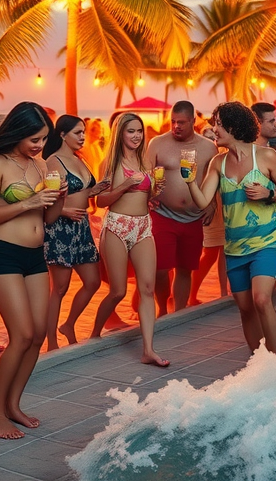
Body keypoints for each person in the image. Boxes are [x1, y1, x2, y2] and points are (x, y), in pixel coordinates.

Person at [0, 102, 63, 439]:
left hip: (35, 256)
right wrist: (28, 202)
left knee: (38, 334)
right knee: (21, 335)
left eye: (44, 139)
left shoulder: (41, 165)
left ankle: (13, 405)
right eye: (34, 139)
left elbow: (48, 219)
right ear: (17, 132)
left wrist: (58, 198)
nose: (40, 145)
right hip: (3, 254)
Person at [184, 102, 276, 355]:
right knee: (246, 308)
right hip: (235, 247)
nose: (214, 129)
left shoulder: (266, 157)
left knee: (262, 299)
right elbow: (203, 201)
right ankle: (258, 363)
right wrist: (190, 180)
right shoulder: (218, 163)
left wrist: (269, 194)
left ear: (234, 126)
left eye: (218, 124)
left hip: (266, 241)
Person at [90, 113, 170, 366]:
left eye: (139, 131)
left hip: (143, 226)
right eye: (131, 131)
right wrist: (124, 185)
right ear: (120, 133)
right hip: (117, 225)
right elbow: (100, 201)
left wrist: (156, 190)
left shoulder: (145, 160)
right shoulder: (109, 163)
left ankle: (148, 350)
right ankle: (94, 335)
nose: (136, 136)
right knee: (118, 291)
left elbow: (148, 196)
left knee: (147, 288)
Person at [145, 101, 218, 316]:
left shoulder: (208, 147)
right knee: (160, 269)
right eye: (173, 121)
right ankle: (162, 310)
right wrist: (148, 195)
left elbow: (212, 179)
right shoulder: (157, 144)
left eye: (182, 122)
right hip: (163, 214)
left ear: (193, 121)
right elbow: (146, 174)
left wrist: (212, 203)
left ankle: (179, 312)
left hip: (193, 216)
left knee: (185, 268)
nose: (176, 126)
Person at [42, 115, 108, 349]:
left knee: (93, 281)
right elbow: (45, 200)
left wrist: (95, 190)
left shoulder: (79, 158)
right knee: (59, 288)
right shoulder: (53, 161)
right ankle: (51, 342)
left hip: (82, 228)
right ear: (62, 134)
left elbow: (80, 191)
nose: (82, 137)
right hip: (60, 228)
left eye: (83, 132)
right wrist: (64, 211)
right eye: (77, 133)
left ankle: (68, 324)